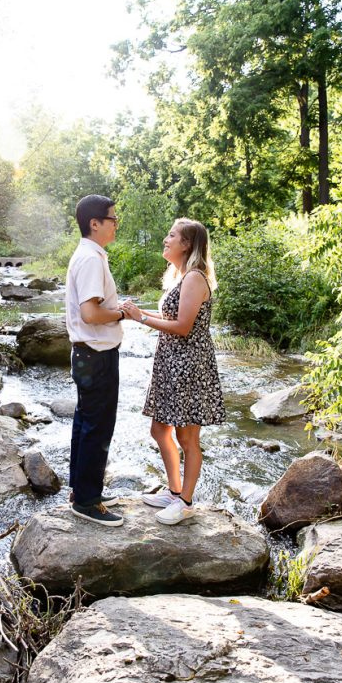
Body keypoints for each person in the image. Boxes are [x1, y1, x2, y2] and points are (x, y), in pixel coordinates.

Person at [122, 218, 225, 525]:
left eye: (171, 236)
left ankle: (186, 502)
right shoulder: (181, 277)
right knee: (159, 429)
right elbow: (171, 316)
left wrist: (141, 319)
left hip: (189, 365)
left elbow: (182, 327)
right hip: (171, 363)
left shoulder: (194, 277)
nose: (165, 240)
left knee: (188, 437)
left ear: (187, 245)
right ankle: (173, 490)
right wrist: (135, 314)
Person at [65, 194, 125, 527]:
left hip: (89, 354)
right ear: (95, 223)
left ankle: (84, 490)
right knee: (97, 427)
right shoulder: (90, 258)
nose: (116, 224)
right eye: (112, 219)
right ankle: (87, 501)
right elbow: (90, 313)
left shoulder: (90, 255)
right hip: (97, 355)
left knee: (86, 423)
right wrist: (121, 314)